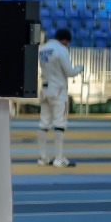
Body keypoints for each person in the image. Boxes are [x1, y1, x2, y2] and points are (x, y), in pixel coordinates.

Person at [37, 27, 84, 168]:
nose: (68, 45)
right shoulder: (61, 50)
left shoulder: (42, 49)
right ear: (64, 40)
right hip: (58, 91)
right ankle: (58, 159)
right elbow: (69, 72)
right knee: (60, 123)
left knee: (44, 123)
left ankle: (42, 158)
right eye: (67, 42)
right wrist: (79, 69)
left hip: (44, 89)